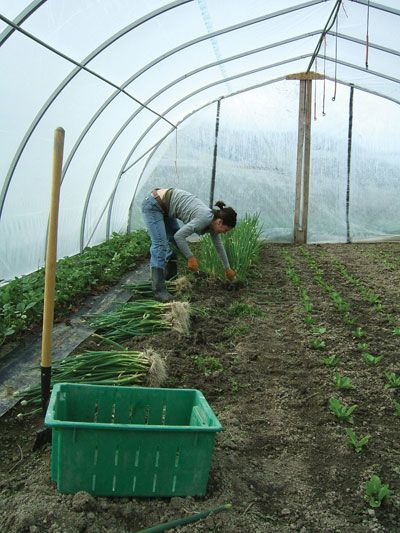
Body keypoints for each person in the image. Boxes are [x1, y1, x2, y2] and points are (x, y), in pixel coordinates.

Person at [142, 188, 237, 301]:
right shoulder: (205, 218)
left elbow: (218, 245)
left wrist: (227, 268)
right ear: (220, 221)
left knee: (175, 244)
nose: (224, 233)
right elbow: (179, 236)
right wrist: (190, 258)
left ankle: (169, 277)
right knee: (160, 244)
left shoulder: (213, 222)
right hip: (154, 204)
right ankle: (159, 290)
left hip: (166, 209)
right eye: (225, 230)